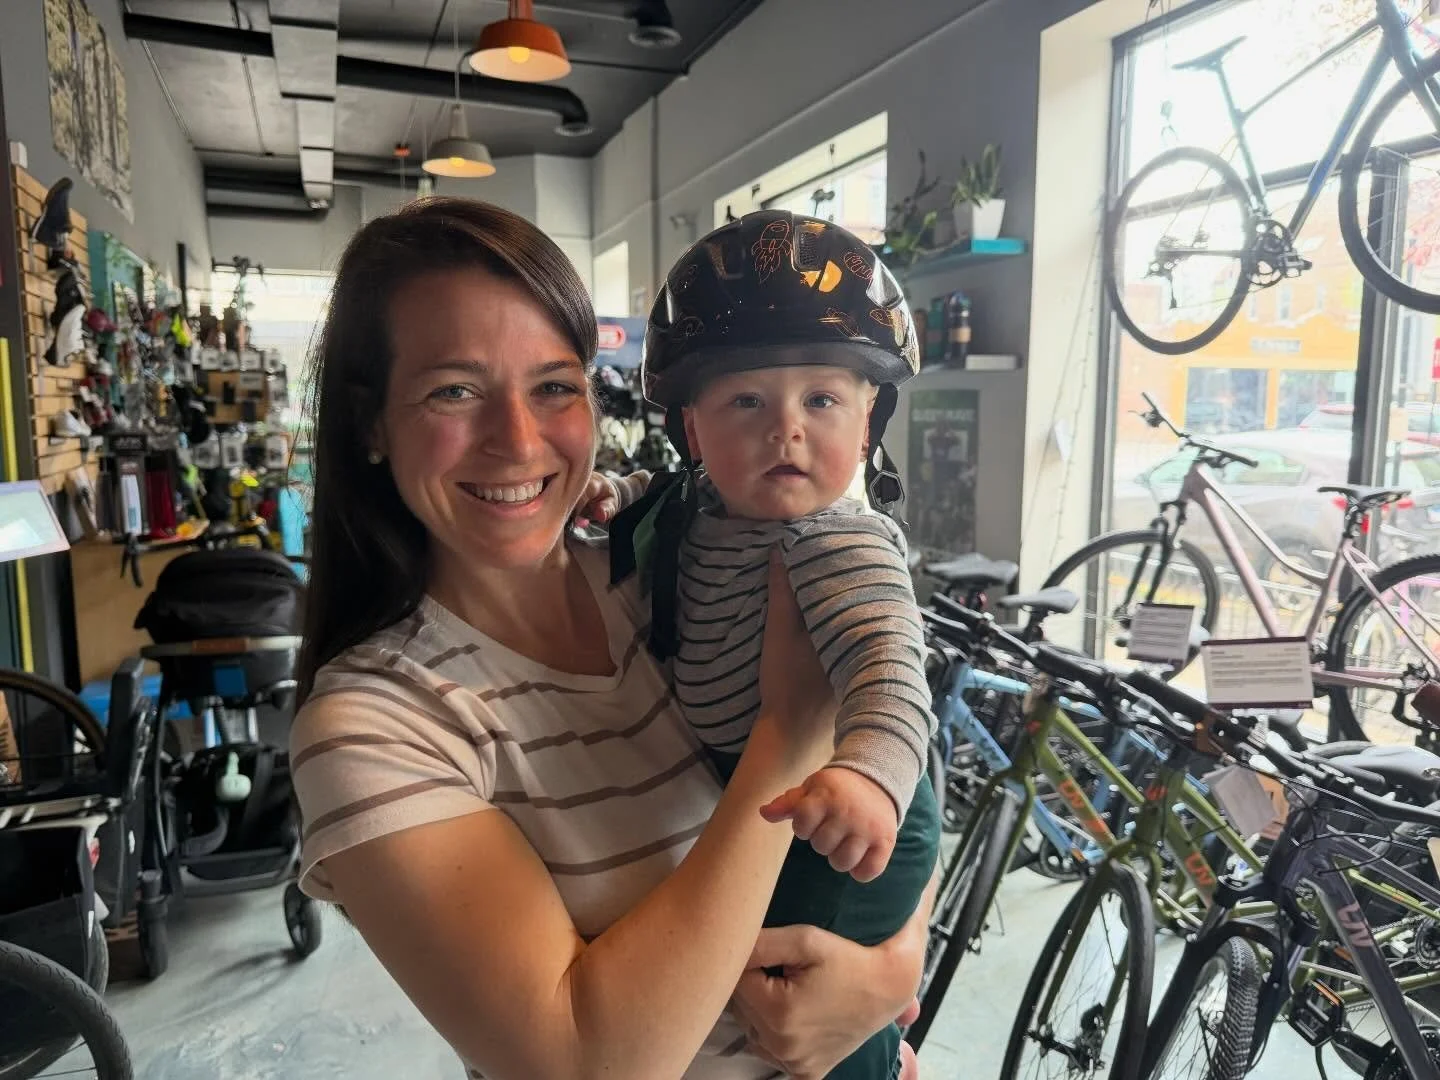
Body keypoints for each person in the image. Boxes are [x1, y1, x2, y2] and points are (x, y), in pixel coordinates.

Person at [288, 197, 933, 1080]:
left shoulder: (655, 562)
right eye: (454, 390)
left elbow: (898, 756)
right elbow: (586, 1065)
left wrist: (889, 970)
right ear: (370, 422)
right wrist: (789, 734)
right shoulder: (375, 728)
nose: (517, 441)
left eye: (554, 386)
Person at [606, 211, 939, 1080]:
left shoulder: (839, 543)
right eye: (746, 401)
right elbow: (657, 508)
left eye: (821, 400)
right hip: (774, 797)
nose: (785, 429)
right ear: (690, 428)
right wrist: (607, 497)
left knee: (815, 1015)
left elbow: (887, 668)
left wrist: (866, 774)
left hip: (847, 816)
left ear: (869, 422)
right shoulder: (696, 510)